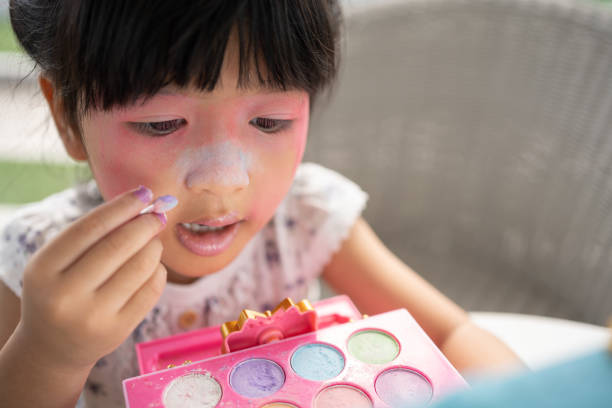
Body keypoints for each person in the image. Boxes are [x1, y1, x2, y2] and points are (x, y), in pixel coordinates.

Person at [0, 1, 523, 407]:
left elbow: (453, 334)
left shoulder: (306, 218)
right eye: (160, 123)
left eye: (269, 121)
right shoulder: (37, 266)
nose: (223, 181)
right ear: (68, 118)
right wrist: (51, 353)